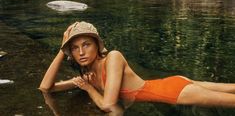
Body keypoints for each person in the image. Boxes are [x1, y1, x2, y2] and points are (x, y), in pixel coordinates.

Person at [39, 21, 235, 114]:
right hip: (170, 83)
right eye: (74, 48)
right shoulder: (87, 73)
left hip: (174, 92)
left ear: (97, 46)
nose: (80, 52)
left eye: (86, 44)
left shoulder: (113, 58)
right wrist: (61, 50)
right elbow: (46, 88)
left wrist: (89, 88)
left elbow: (108, 105)